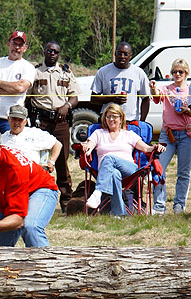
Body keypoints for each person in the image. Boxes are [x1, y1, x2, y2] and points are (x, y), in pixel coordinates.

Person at [0, 124, 59, 247]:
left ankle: (45, 264)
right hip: (9, 197)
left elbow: (18, 219)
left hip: (40, 189)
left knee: (31, 227)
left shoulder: (15, 169)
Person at [82, 103, 165, 216]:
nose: (111, 119)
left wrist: (155, 147)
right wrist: (86, 147)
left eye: (114, 116)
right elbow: (89, 145)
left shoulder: (129, 134)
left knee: (109, 158)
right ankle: (119, 214)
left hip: (129, 170)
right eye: (108, 116)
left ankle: (98, 192)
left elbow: (146, 148)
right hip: (105, 172)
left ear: (121, 119)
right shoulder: (98, 133)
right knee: (114, 174)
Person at [28, 41, 80, 213]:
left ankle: (66, 202)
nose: (52, 54)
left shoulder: (65, 73)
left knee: (61, 162)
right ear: (44, 51)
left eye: (55, 52)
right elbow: (27, 98)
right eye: (49, 50)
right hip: (40, 121)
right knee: (40, 160)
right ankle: (37, 199)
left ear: (59, 54)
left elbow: (74, 96)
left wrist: (67, 106)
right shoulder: (35, 72)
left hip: (60, 122)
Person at [150, 59, 191, 214]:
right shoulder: (166, 88)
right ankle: (159, 206)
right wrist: (153, 88)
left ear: (186, 73)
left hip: (187, 134)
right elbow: (156, 96)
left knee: (183, 172)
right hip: (167, 135)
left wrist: (186, 111)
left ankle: (179, 205)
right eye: (174, 71)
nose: (177, 74)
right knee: (159, 169)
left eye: (180, 71)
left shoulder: (190, 89)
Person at [0, 31, 35, 133]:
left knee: (8, 149)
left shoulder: (28, 67)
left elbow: (20, 88)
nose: (17, 48)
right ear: (8, 44)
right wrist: (13, 89)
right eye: (14, 44)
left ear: (25, 48)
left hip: (11, 120)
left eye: (20, 45)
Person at [91, 42, 150, 122]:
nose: (122, 56)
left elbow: (146, 99)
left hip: (130, 120)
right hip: (109, 121)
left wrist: (142, 121)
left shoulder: (139, 73)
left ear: (130, 56)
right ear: (115, 54)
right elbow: (94, 99)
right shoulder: (103, 71)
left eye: (125, 54)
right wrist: (112, 98)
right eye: (119, 53)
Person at [1, 105, 62, 170]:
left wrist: (51, 162)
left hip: (32, 174)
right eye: (14, 119)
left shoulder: (34, 133)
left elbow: (57, 144)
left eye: (20, 120)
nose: (16, 123)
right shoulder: (2, 139)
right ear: (8, 119)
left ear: (25, 121)